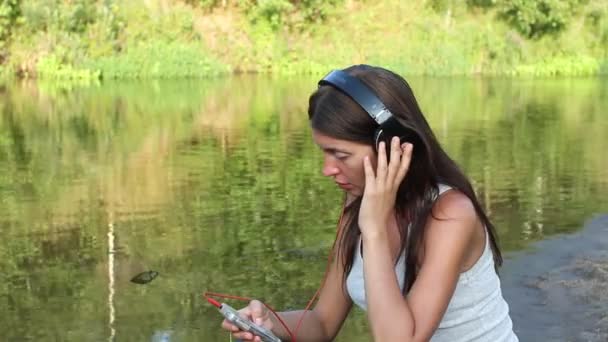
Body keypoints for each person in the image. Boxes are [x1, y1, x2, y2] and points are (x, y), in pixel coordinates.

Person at [221, 65, 518, 341]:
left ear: (391, 143)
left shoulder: (451, 215)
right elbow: (324, 322)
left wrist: (373, 229)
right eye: (324, 153)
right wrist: (270, 322)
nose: (327, 169)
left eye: (340, 155)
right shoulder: (358, 202)